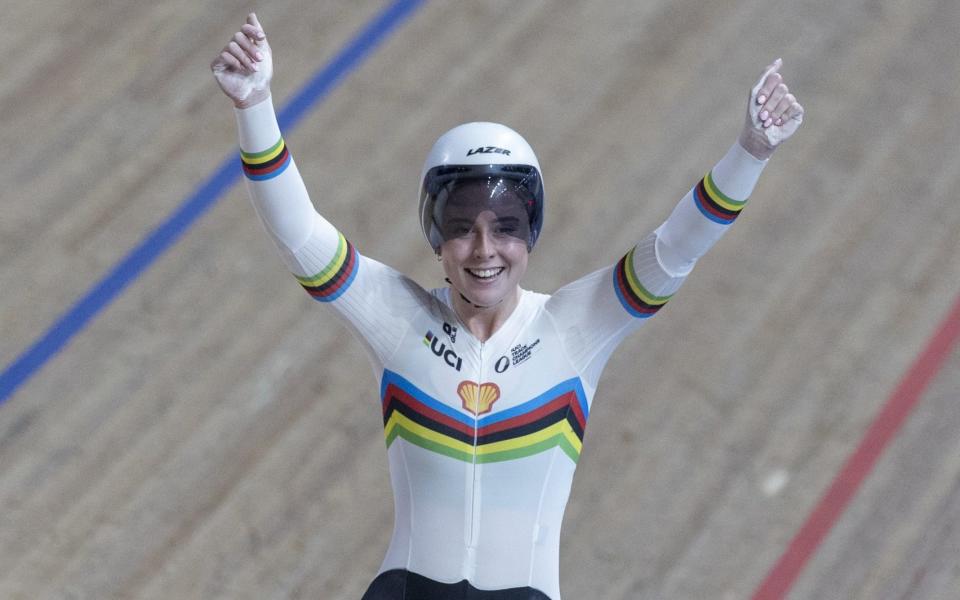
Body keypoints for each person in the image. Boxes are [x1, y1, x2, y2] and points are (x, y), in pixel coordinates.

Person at [211, 13, 804, 600]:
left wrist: (750, 152)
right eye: (463, 228)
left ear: (532, 234)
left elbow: (676, 248)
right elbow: (297, 233)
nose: (485, 251)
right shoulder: (396, 319)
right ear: (435, 237)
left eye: (507, 230)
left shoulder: (576, 326)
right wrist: (255, 106)